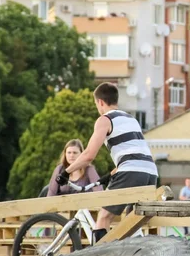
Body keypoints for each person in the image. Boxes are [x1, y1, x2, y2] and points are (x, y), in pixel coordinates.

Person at [56, 82, 158, 244]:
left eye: (96, 104)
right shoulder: (131, 119)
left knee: (104, 217)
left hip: (131, 171)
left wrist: (66, 172)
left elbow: (89, 154)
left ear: (100, 102)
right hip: (151, 173)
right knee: (130, 222)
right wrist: (110, 175)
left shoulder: (105, 120)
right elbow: (133, 152)